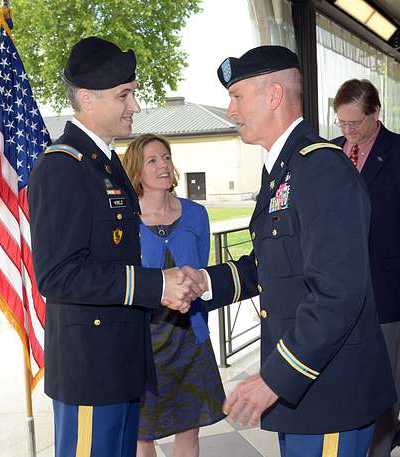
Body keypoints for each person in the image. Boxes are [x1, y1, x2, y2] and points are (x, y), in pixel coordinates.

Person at [189, 45, 396, 457]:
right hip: (305, 386)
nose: (231, 111)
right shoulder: (282, 167)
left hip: (330, 390)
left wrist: (274, 378)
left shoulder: (320, 167)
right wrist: (205, 282)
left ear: (273, 96)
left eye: (237, 97)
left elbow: (338, 292)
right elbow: (272, 262)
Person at [28, 37, 199, 457]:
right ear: (86, 98)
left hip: (119, 361)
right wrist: (155, 286)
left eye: (133, 93)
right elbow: (58, 275)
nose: (135, 106)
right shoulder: (63, 166)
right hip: (90, 370)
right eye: (124, 95)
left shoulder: (106, 164)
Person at [331, 79, 400, 456]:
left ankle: (379, 448)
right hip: (336, 292)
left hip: (386, 285)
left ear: (375, 113)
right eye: (341, 124)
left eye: (355, 124)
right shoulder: (329, 153)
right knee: (343, 376)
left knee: (383, 380)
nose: (348, 133)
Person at [122, 134, 225, 457]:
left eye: (166, 157)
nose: (163, 165)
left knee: (189, 429)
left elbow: (202, 273)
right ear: (137, 170)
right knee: (142, 437)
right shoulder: (125, 220)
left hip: (189, 340)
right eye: (153, 160)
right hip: (144, 345)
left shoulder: (196, 215)